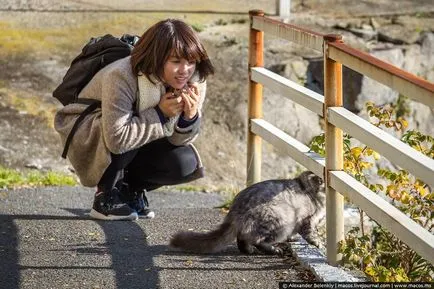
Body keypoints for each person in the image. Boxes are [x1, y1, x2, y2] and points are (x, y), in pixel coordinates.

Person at [54, 19, 214, 221]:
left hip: (129, 135)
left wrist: (188, 119)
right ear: (157, 58)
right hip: (89, 131)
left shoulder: (195, 80)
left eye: (190, 62)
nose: (185, 70)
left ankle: (130, 190)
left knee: (185, 163)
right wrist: (160, 114)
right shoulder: (121, 74)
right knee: (125, 127)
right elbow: (117, 139)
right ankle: (106, 197)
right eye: (175, 61)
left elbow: (176, 140)